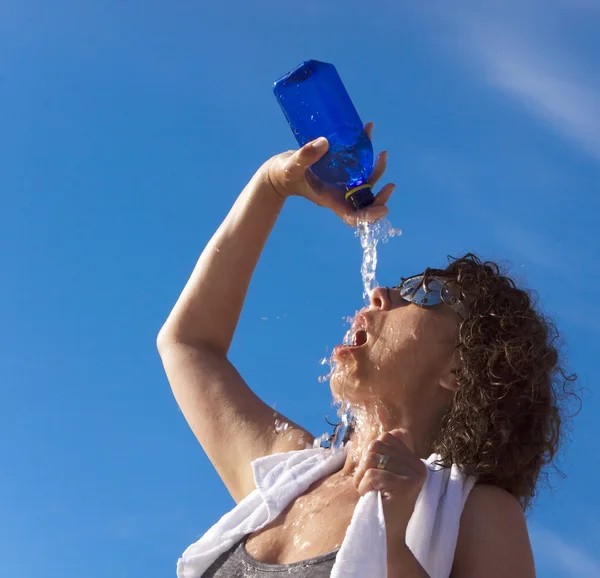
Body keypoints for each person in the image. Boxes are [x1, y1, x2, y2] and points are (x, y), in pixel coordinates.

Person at [157, 124, 575, 578]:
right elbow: (188, 344)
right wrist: (272, 186)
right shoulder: (287, 477)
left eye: (423, 292)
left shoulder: (479, 512)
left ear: (464, 365)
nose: (380, 293)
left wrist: (391, 545)